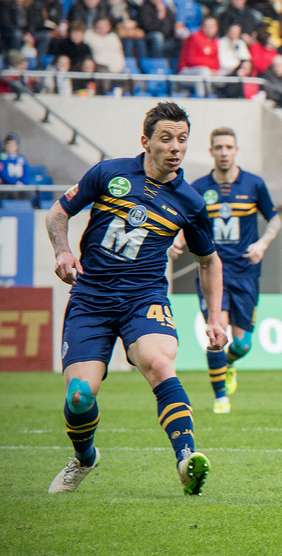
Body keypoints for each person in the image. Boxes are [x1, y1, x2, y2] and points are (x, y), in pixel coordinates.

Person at [45, 102, 226, 496]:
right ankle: (84, 458)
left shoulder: (190, 202)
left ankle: (186, 459)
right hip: (91, 299)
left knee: (160, 363)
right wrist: (62, 251)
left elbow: (209, 261)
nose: (175, 147)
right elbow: (58, 212)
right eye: (166, 138)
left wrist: (214, 317)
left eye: (182, 139)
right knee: (79, 396)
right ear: (145, 141)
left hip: (144, 299)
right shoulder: (109, 174)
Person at [169, 127, 281, 414]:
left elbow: (275, 220)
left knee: (242, 345)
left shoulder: (254, 185)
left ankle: (229, 363)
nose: (224, 152)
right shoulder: (198, 187)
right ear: (211, 152)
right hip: (212, 270)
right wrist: (177, 242)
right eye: (218, 147)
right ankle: (220, 398)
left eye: (229, 147)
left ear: (236, 151)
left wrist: (262, 244)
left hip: (246, 272)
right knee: (217, 332)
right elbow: (185, 221)